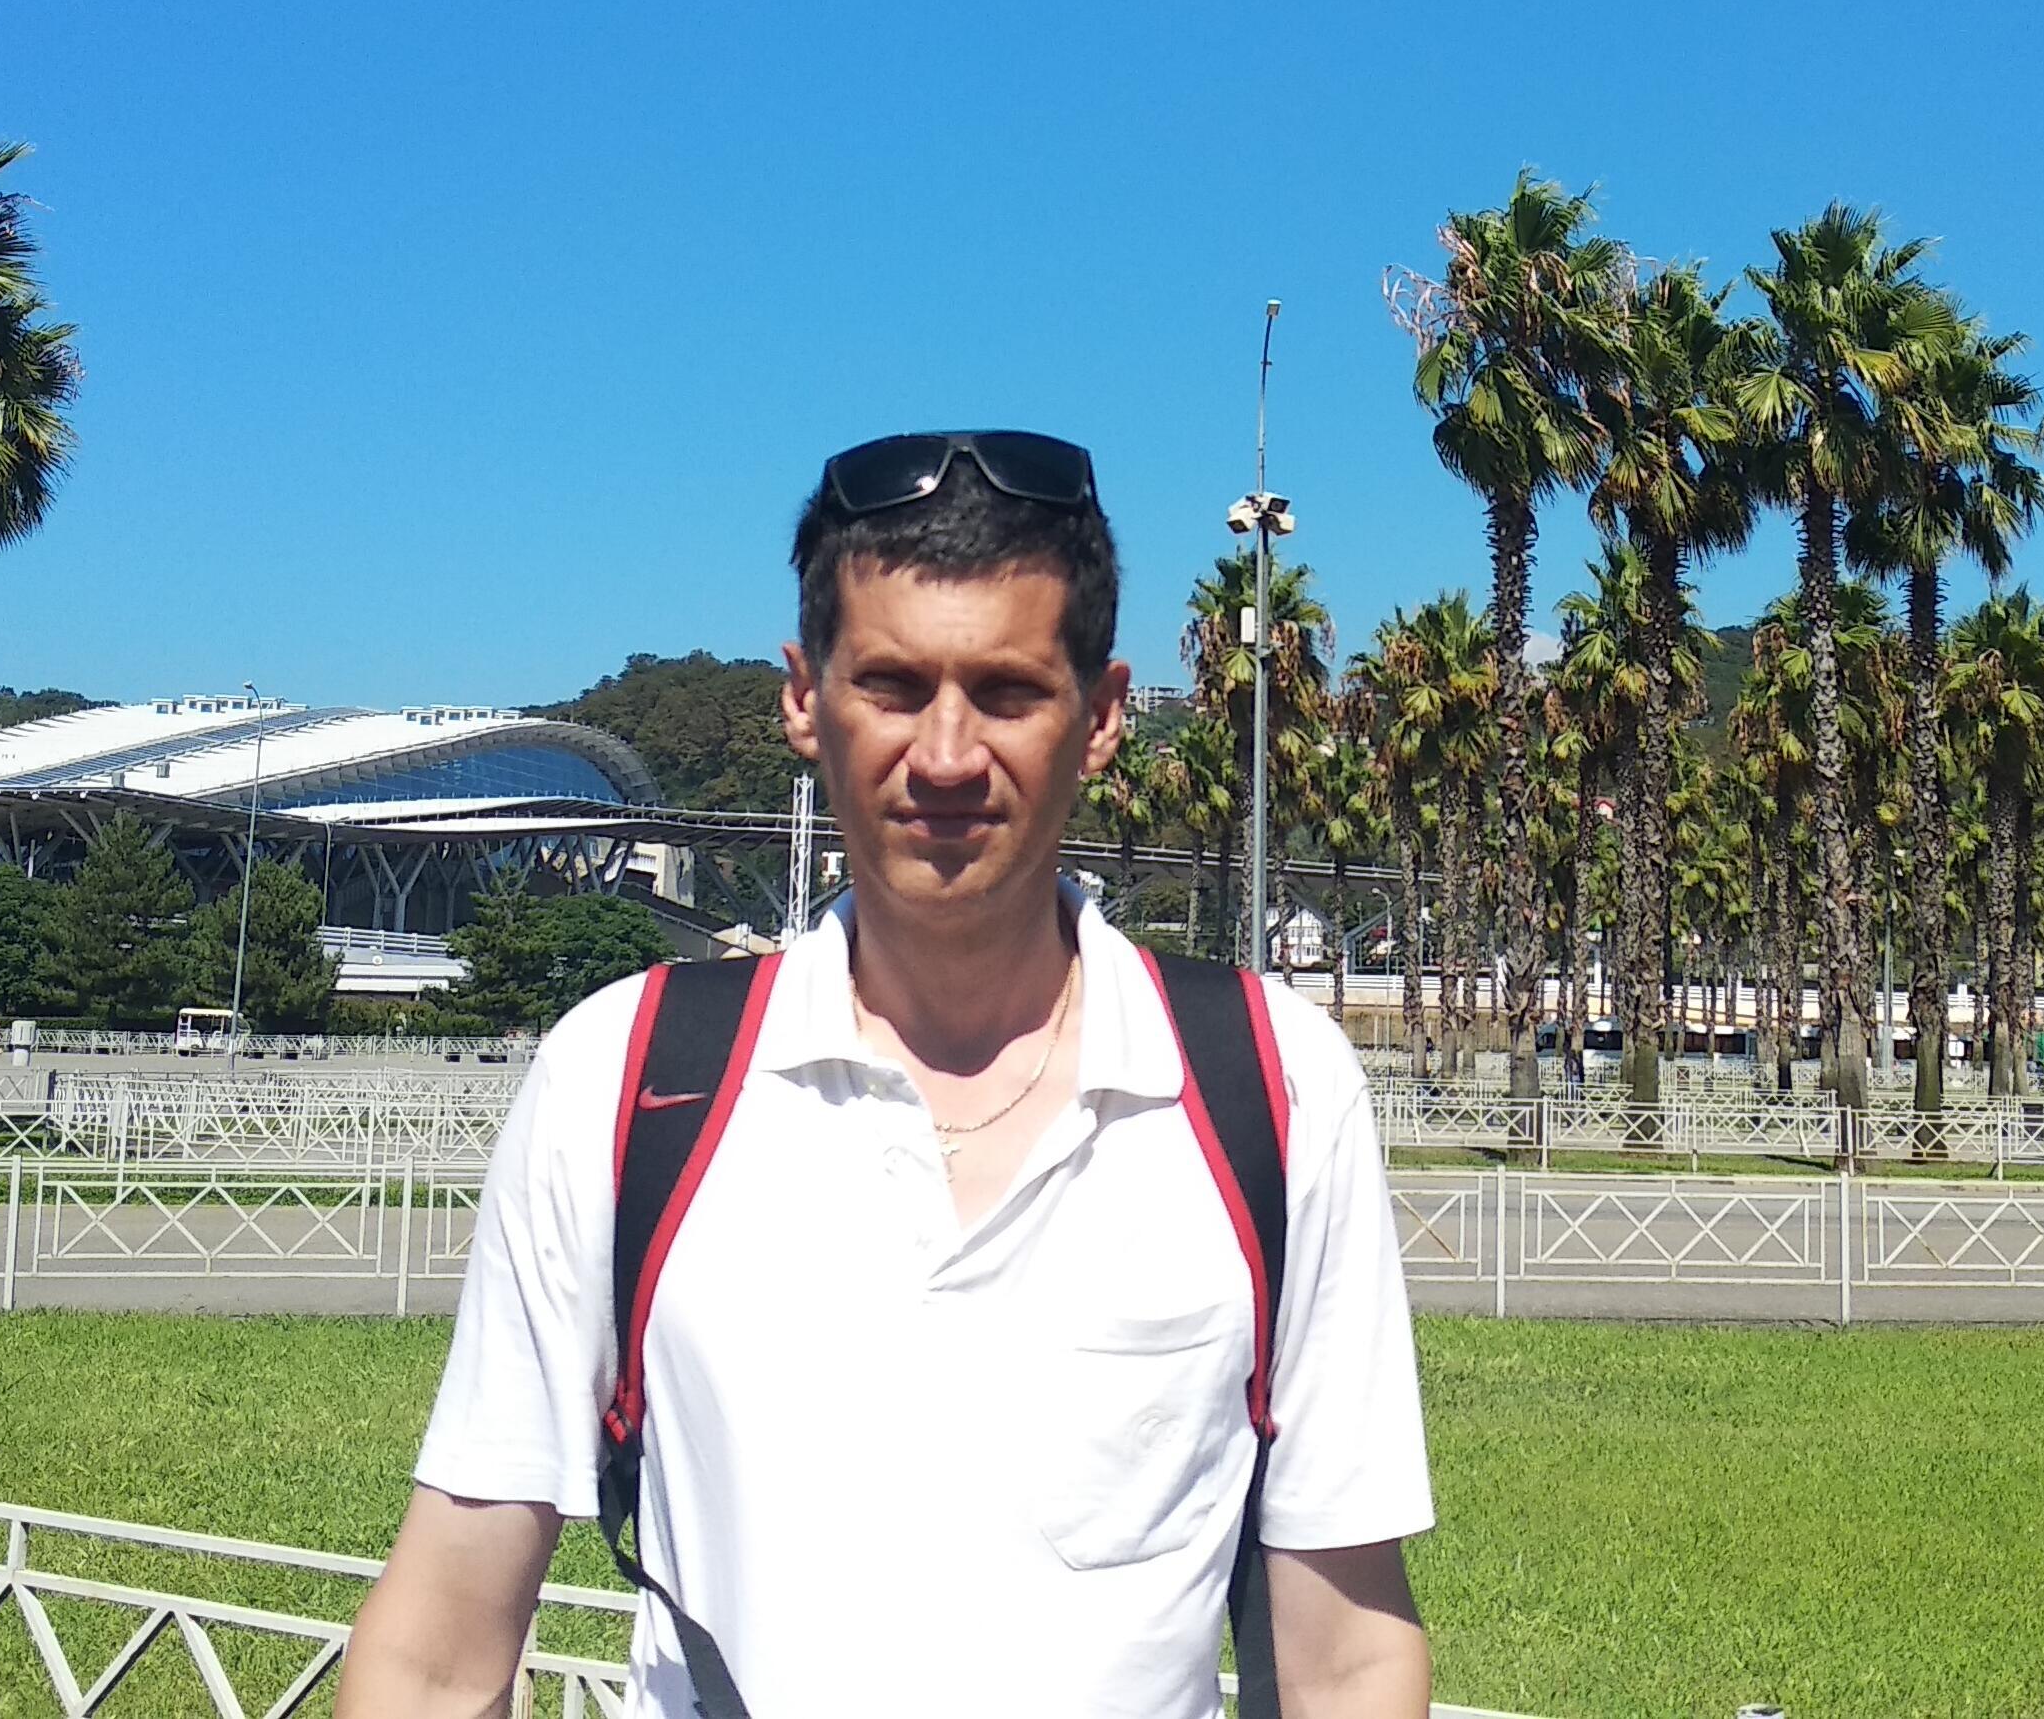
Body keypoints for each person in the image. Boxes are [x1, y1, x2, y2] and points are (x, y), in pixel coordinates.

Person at [342, 431, 1434, 1719]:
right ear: (805, 699)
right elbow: (440, 1649)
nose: (949, 755)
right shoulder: (629, 1079)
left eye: (1010, 692)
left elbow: (1345, 1656)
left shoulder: (1270, 1088)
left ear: (1103, 716)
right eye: (895, 686)